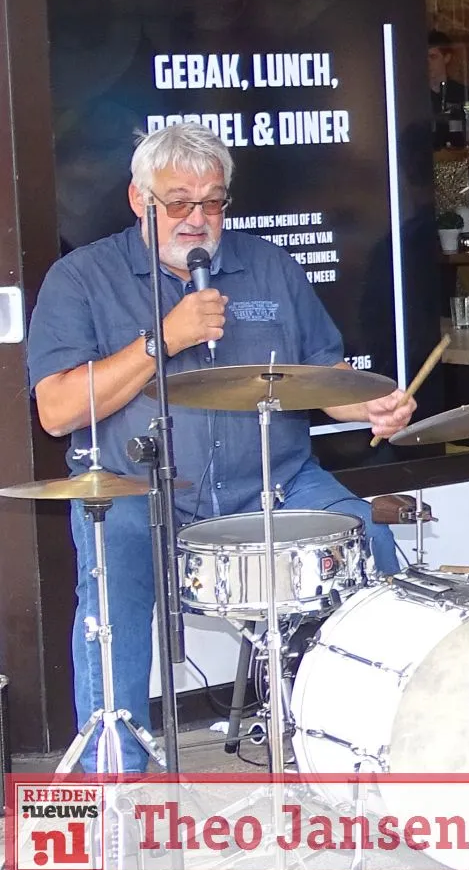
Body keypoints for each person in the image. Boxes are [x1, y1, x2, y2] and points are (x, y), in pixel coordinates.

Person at [26, 123, 416, 771]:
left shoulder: (269, 266)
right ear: (139, 199)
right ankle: (115, 770)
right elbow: (57, 410)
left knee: (365, 535)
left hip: (274, 481)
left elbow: (324, 377)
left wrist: (371, 405)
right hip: (137, 490)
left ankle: (373, 738)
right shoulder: (82, 277)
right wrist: (163, 339)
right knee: (111, 589)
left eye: (212, 202)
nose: (197, 219)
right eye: (178, 202)